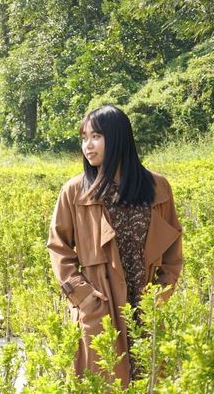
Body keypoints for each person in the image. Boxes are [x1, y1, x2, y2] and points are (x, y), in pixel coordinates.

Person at [47, 105, 182, 386]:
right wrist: (83, 295)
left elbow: (172, 248)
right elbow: (58, 246)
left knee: (150, 381)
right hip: (101, 303)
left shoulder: (157, 187)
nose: (87, 145)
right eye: (84, 137)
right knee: (104, 380)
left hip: (145, 304)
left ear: (118, 137)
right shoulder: (75, 191)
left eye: (95, 136)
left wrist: (161, 294)